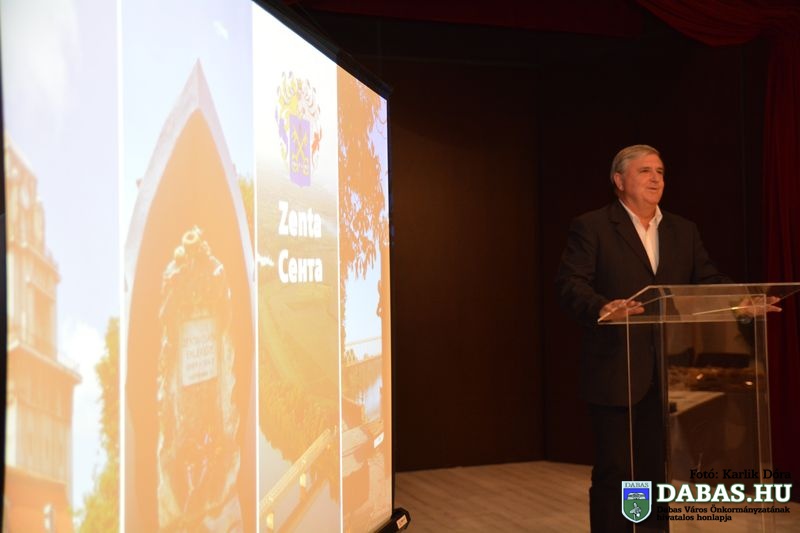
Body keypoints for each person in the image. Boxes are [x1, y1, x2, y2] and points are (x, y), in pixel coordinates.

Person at [555, 144, 731, 532]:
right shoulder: (593, 226)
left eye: (660, 172)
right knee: (617, 473)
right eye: (645, 171)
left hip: (668, 374)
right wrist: (603, 307)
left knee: (654, 474)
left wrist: (740, 300)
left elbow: (707, 281)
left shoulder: (683, 230)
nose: (656, 178)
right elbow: (570, 284)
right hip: (615, 371)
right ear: (619, 180)